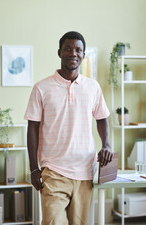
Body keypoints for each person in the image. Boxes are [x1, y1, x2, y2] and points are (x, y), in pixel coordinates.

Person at [24, 31, 112, 225]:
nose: (73, 53)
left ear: (83, 54)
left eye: (78, 50)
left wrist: (106, 145)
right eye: (68, 49)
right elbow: (32, 127)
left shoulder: (93, 87)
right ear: (59, 52)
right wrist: (33, 168)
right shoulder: (42, 88)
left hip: (85, 171)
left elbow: (102, 118)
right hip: (54, 171)